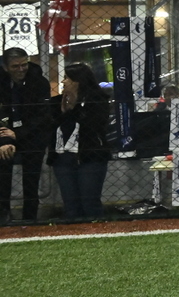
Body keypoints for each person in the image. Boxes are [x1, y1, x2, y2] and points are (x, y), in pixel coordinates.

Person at [49, 63, 111, 220]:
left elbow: (93, 126)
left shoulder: (98, 100)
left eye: (67, 78)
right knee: (71, 206)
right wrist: (64, 112)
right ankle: (72, 231)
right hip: (62, 159)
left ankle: (95, 231)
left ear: (78, 81)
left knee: (90, 203)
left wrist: (74, 108)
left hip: (90, 157)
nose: (63, 82)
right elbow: (51, 127)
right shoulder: (55, 103)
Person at [1, 47, 52, 222]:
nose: (21, 69)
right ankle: (4, 215)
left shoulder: (39, 82)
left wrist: (18, 133)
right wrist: (5, 140)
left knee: (31, 179)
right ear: (6, 67)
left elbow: (42, 115)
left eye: (24, 64)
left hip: (33, 135)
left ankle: (30, 218)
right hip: (5, 133)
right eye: (15, 66)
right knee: (3, 171)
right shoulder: (2, 82)